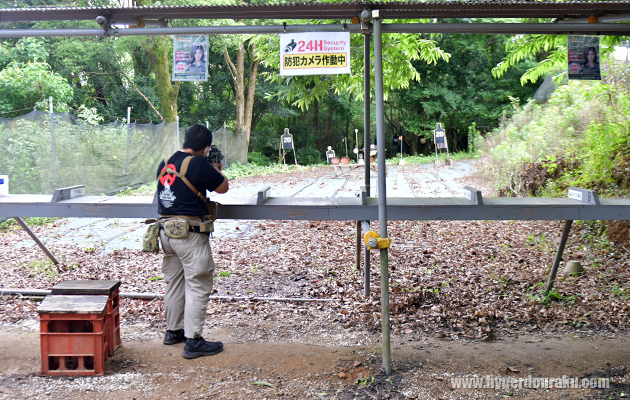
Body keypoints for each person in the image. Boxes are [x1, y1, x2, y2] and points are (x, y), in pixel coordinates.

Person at [156, 124, 228, 359]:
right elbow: (223, 187)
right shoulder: (198, 163)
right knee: (198, 283)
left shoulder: (165, 162)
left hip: (166, 233)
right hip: (190, 235)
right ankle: (194, 340)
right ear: (206, 148)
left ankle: (173, 331)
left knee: (174, 283)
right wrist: (217, 169)